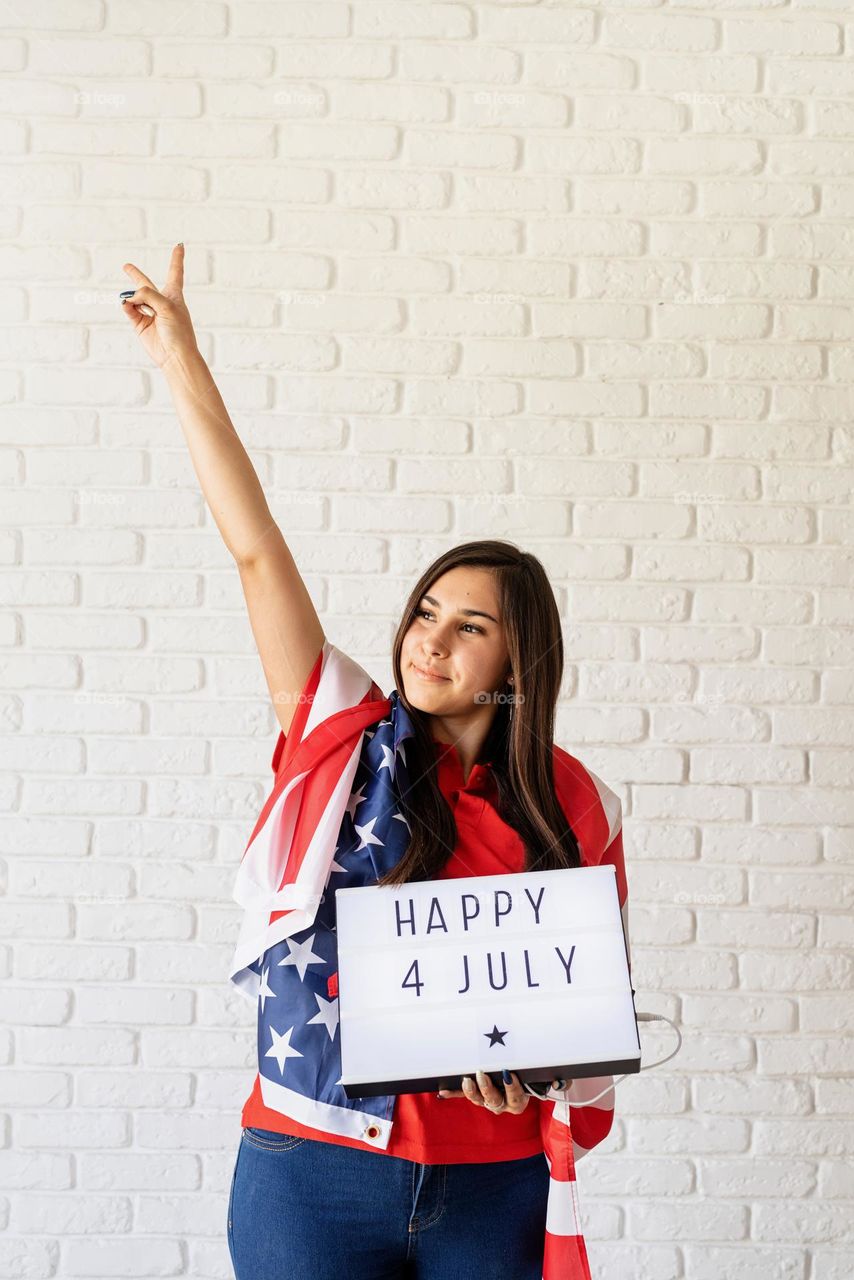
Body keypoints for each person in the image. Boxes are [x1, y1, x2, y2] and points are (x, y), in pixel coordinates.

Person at [120, 246, 631, 1280]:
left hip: (491, 1182)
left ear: (516, 659)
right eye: (425, 611)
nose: (430, 639)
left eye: (470, 624)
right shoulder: (338, 731)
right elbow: (256, 548)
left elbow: (580, 1009)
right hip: (308, 1168)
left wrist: (529, 1072)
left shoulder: (574, 800)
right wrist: (181, 357)